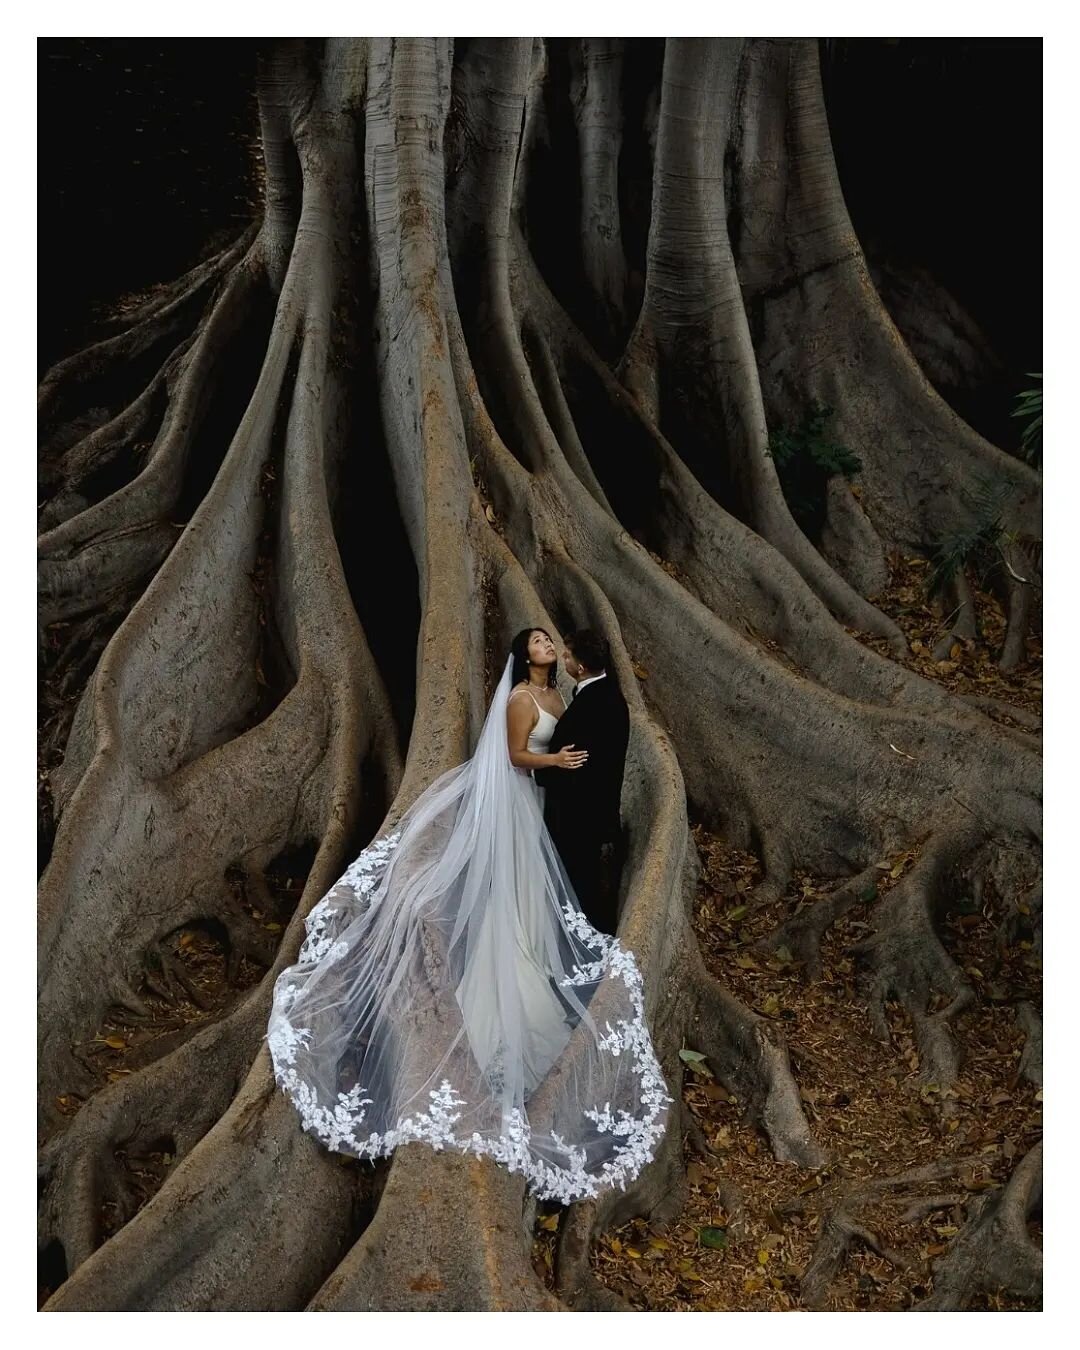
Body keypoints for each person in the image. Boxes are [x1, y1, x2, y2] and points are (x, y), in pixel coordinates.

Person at [265, 629, 671, 1205]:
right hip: (521, 802)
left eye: (550, 641)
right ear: (520, 656)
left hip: (544, 811)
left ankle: (534, 963)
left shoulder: (563, 697)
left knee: (535, 903)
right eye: (536, 642)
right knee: (513, 900)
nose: (546, 645)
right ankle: (498, 999)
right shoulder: (520, 701)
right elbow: (513, 756)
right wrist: (553, 758)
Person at [534, 630, 630, 935]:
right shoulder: (607, 694)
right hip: (592, 813)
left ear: (581, 666)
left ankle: (586, 952)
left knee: (580, 890)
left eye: (568, 655)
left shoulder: (593, 704)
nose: (563, 658)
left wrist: (542, 769)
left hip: (579, 818)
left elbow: (577, 764)